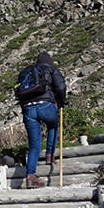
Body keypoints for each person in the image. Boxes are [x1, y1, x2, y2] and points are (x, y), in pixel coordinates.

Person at [19, 51, 67, 189]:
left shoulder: (27, 71)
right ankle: (50, 155)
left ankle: (30, 176)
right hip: (45, 105)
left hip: (28, 108)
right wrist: (61, 102)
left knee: (34, 145)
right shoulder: (51, 69)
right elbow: (61, 87)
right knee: (53, 125)